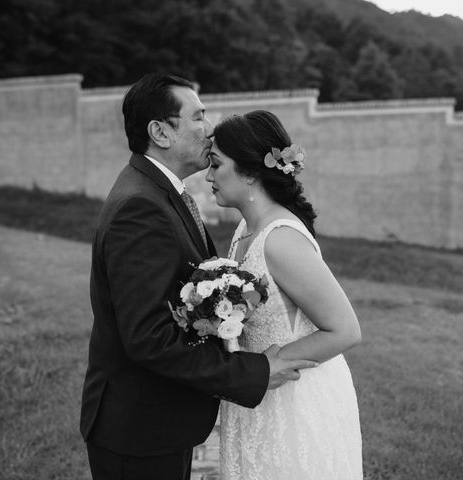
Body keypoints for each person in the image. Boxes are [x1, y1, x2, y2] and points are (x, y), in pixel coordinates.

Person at [79, 75, 318, 480]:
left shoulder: (161, 194)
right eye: (198, 116)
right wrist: (253, 371)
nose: (209, 128)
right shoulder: (141, 207)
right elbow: (149, 338)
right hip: (139, 429)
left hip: (158, 421)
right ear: (160, 132)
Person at [205, 110, 363, 479]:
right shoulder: (246, 227)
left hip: (295, 401)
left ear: (249, 171)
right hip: (256, 395)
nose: (208, 175)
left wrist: (262, 368)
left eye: (216, 164)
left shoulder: (281, 240)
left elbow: (345, 330)